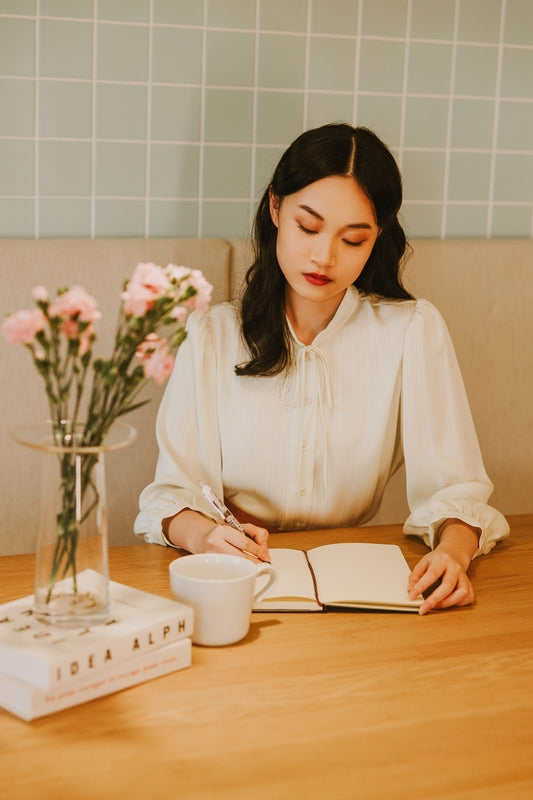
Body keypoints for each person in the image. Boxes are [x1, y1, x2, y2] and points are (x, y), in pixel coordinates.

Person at [134, 123, 509, 614]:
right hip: (239, 582)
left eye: (352, 240)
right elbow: (171, 496)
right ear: (275, 207)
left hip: (358, 588)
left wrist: (452, 555)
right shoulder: (211, 335)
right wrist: (205, 535)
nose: (323, 257)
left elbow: (455, 489)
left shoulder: (411, 331)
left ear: (376, 239)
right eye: (308, 228)